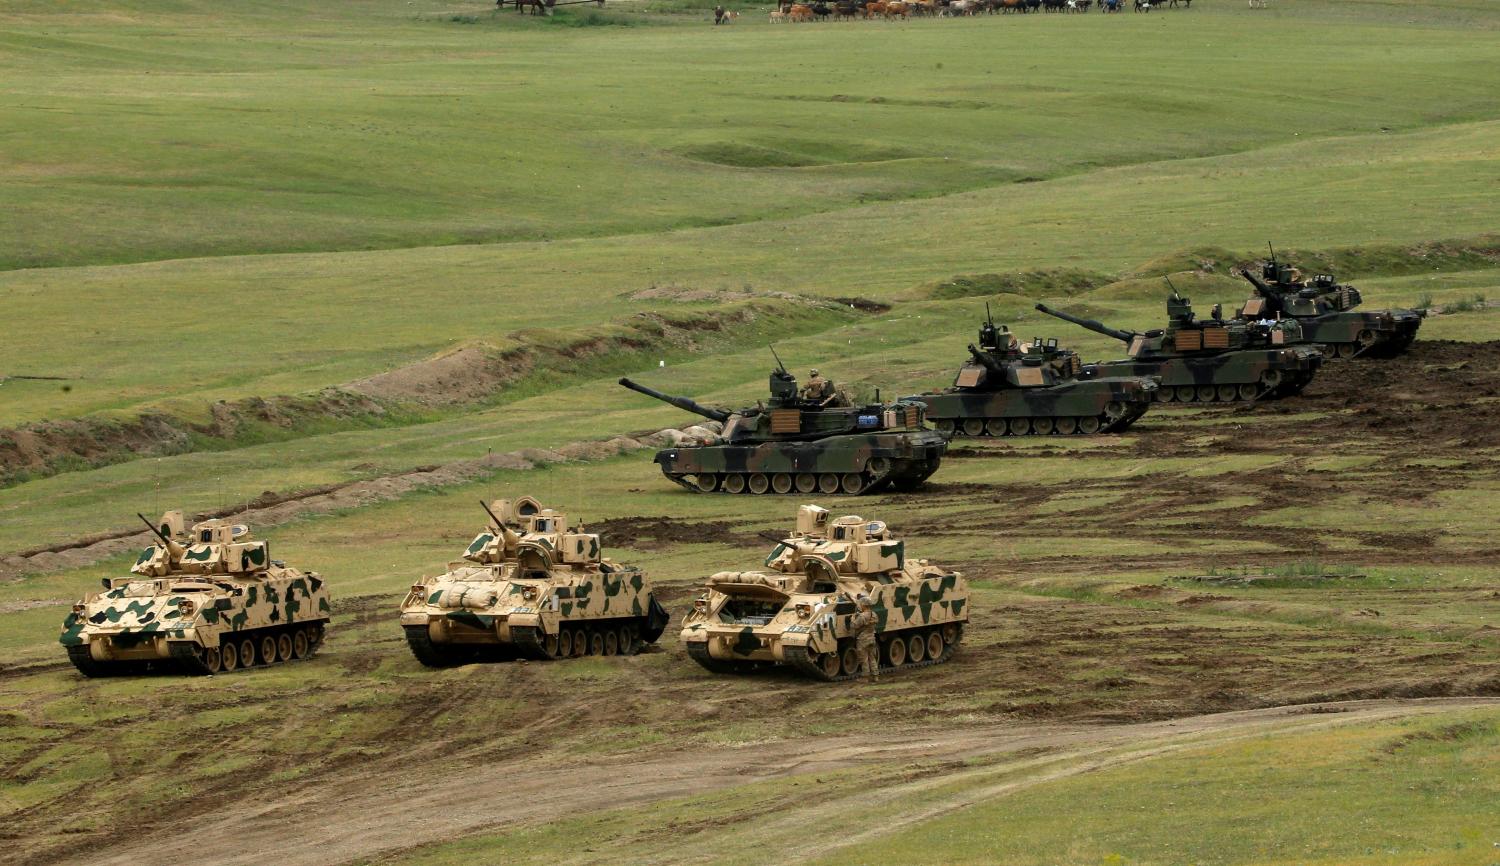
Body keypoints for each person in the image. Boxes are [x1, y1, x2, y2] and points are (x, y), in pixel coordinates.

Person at [850, 595, 880, 682]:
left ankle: (865, 677)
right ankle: (875, 676)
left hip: (863, 640)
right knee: (872, 658)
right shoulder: (874, 614)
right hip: (871, 638)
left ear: (863, 605)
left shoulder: (862, 616)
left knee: (864, 659)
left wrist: (852, 619)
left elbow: (854, 626)